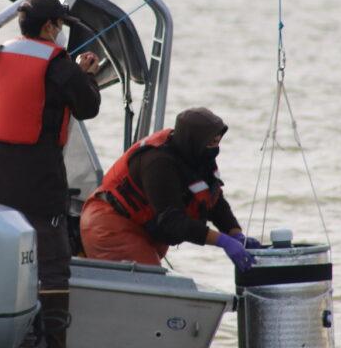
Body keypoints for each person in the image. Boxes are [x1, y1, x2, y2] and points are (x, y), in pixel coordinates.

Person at [0, 0, 101, 348]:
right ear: (49, 28)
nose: (61, 32)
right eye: (60, 25)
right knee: (53, 255)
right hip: (36, 170)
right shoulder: (59, 64)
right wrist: (86, 74)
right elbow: (88, 106)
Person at [79, 107, 259, 272]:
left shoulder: (197, 155)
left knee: (152, 275)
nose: (215, 148)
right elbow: (173, 223)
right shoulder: (158, 163)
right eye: (210, 142)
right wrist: (222, 241)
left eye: (218, 142)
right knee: (149, 280)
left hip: (144, 228)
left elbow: (213, 201)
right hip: (110, 223)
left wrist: (235, 234)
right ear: (194, 141)